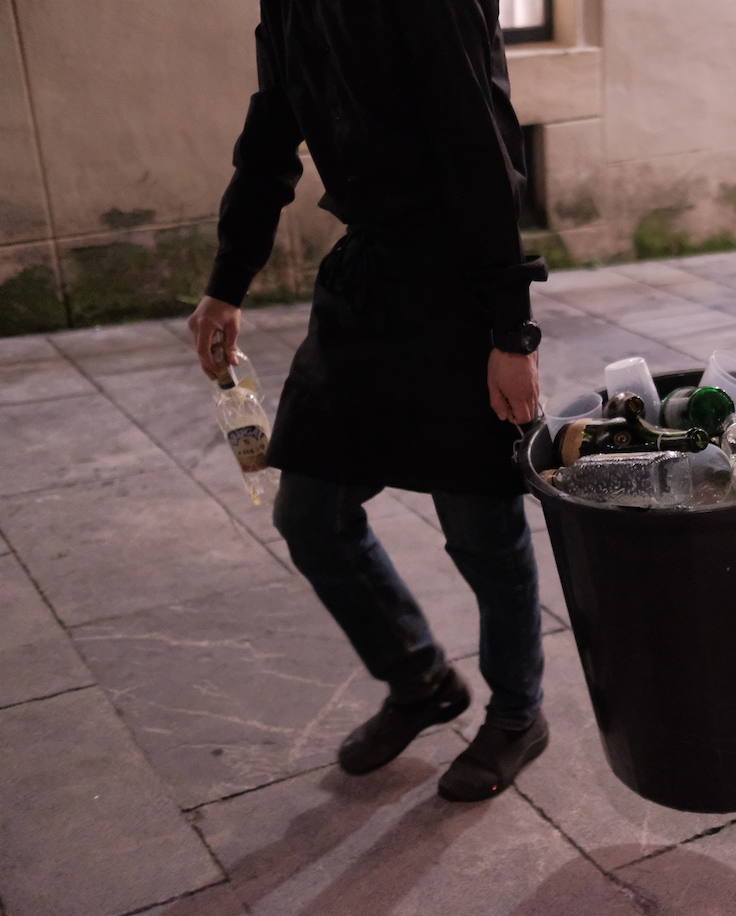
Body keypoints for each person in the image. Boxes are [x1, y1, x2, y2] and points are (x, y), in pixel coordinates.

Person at [186, 0, 551, 802]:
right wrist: (224, 286)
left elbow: (485, 155)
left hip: (458, 292)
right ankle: (421, 681)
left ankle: (519, 714)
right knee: (310, 515)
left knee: (482, 526)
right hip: (364, 284)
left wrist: (510, 334)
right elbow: (268, 147)